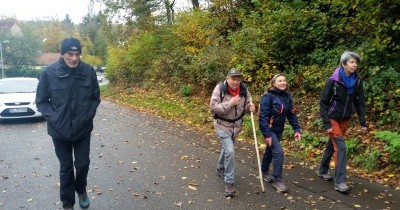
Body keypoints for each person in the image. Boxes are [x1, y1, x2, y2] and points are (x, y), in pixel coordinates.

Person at [36, 38, 101, 210]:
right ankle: (67, 204)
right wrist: (54, 118)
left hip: (82, 129)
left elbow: (95, 98)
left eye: (77, 54)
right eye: (70, 54)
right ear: (62, 54)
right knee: (65, 168)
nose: (74, 58)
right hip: (59, 131)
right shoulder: (49, 73)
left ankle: (81, 189)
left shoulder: (88, 71)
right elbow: (41, 102)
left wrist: (87, 115)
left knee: (82, 164)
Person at [317, 51, 367, 193]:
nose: (354, 65)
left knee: (332, 145)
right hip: (332, 117)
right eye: (351, 62)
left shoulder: (357, 81)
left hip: (345, 118)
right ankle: (340, 182)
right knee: (341, 147)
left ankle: (322, 170)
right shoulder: (333, 80)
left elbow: (360, 102)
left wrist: (363, 122)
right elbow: (323, 102)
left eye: (356, 62)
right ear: (344, 64)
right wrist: (327, 123)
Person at [210, 68, 255, 197]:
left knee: (227, 148)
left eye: (238, 79)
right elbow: (213, 108)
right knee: (230, 150)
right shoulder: (220, 89)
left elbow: (247, 105)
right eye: (233, 79)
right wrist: (230, 103)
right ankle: (229, 183)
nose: (236, 82)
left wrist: (250, 108)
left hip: (236, 126)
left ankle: (220, 167)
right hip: (222, 125)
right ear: (227, 78)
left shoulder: (244, 90)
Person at [259, 73, 301, 193]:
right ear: (273, 83)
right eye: (280, 81)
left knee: (270, 151)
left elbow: (291, 114)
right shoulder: (268, 97)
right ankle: (277, 180)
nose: (283, 83)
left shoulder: (287, 96)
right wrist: (267, 134)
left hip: (279, 129)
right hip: (269, 128)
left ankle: (264, 171)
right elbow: (262, 117)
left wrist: (296, 129)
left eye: (284, 80)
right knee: (278, 152)